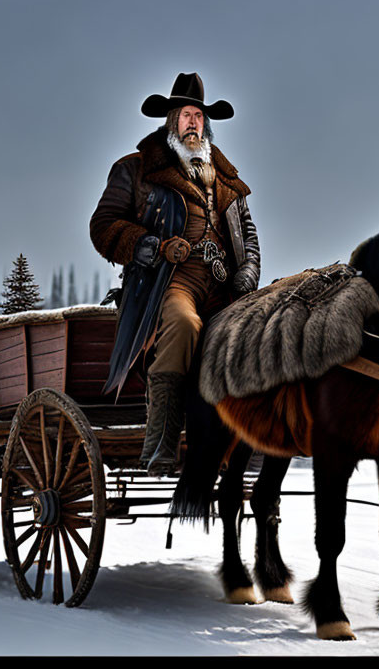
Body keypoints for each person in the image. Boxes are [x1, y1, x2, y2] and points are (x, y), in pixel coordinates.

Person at [90, 72, 260, 476]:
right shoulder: (135, 170)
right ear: (171, 120)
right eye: (186, 115)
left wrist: (248, 273)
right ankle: (161, 442)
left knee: (253, 335)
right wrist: (153, 247)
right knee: (184, 325)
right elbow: (104, 225)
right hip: (167, 281)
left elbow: (249, 237)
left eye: (199, 116)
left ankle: (246, 443)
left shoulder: (228, 181)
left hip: (222, 285)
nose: (193, 123)